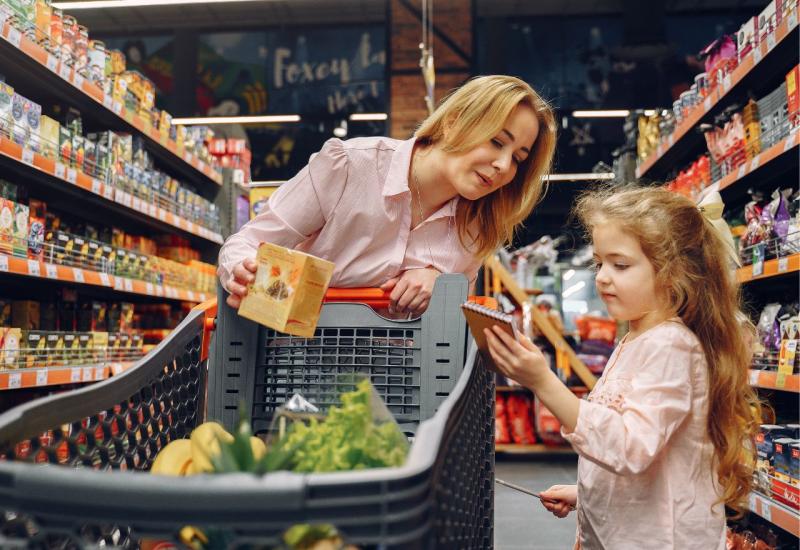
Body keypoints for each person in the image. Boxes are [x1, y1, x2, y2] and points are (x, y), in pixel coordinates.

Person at [485, 186, 761, 549]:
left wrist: (542, 382)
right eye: (599, 263)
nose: (601, 276)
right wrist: (586, 492)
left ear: (673, 274)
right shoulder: (636, 338)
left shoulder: (672, 346)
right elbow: (646, 455)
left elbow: (631, 446)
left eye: (620, 265)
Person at [218, 75, 557, 316]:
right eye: (497, 141)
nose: (503, 165)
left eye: (518, 158)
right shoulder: (350, 166)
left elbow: (450, 332)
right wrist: (246, 275)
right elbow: (245, 244)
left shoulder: (478, 227)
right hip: (295, 370)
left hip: (401, 389)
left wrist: (440, 286)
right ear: (453, 123)